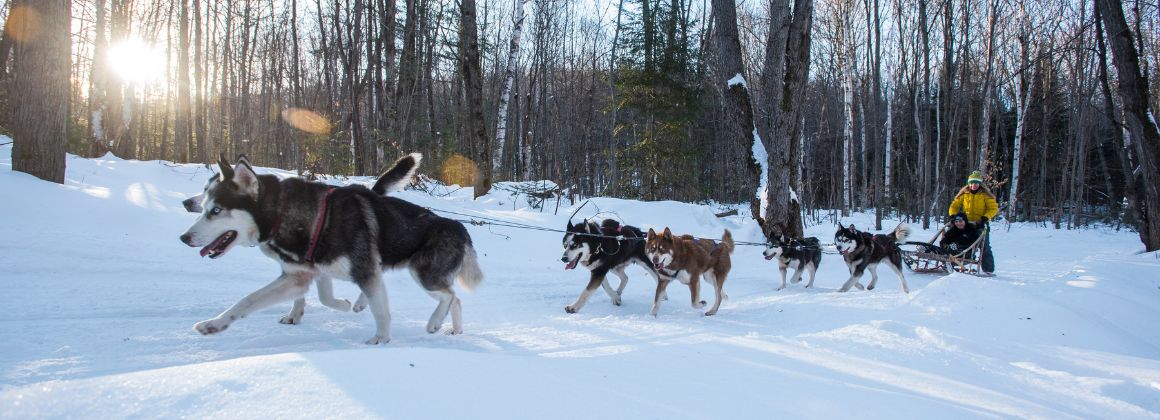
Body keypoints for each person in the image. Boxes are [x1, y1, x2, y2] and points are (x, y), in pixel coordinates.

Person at [948, 170, 998, 274]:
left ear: (980, 184)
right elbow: (954, 205)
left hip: (980, 224)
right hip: (965, 224)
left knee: (984, 246)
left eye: (976, 183)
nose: (973, 185)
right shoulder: (964, 194)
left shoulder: (985, 195)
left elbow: (993, 209)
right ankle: (953, 260)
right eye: (971, 183)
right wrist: (953, 216)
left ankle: (988, 269)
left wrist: (985, 218)